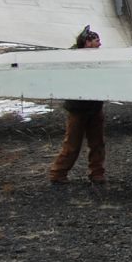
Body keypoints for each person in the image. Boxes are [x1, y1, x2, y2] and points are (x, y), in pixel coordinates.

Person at [48, 26, 107, 184]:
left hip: (94, 106)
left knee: (97, 143)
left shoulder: (96, 58)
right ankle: (58, 173)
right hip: (78, 108)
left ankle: (97, 173)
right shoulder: (72, 59)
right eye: (96, 41)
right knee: (72, 144)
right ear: (88, 42)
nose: (99, 44)